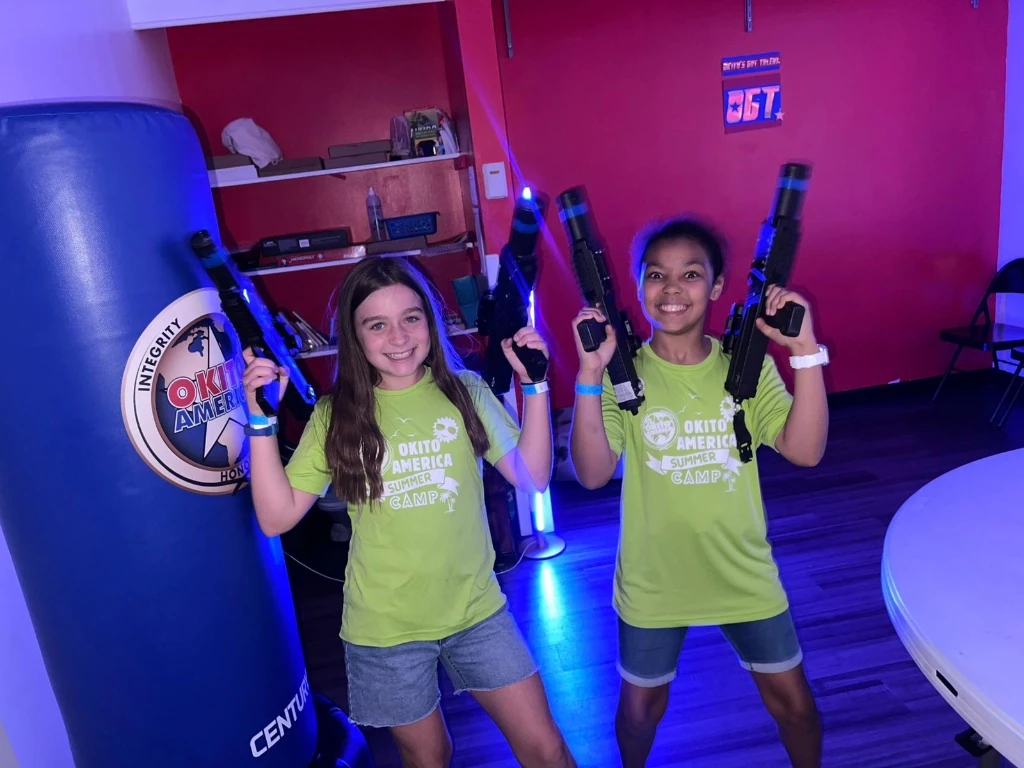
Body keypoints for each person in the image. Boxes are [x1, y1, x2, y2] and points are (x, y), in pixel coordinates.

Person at [241, 256, 576, 768]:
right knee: (429, 758)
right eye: (377, 324)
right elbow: (276, 518)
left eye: (411, 318)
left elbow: (532, 477)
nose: (398, 337)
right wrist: (260, 426)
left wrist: (535, 386)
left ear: (430, 321)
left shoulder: (465, 393)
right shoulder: (336, 416)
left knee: (547, 750)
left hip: (476, 612)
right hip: (385, 630)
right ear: (355, 337)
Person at [568, 218, 828, 768]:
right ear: (637, 286)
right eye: (656, 274)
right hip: (654, 578)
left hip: (742, 571)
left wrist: (804, 351)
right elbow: (591, 473)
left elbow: (805, 450)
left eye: (690, 274)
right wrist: (589, 373)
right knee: (639, 714)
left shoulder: (745, 369)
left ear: (714, 287)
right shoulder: (623, 372)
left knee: (797, 709)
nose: (671, 289)